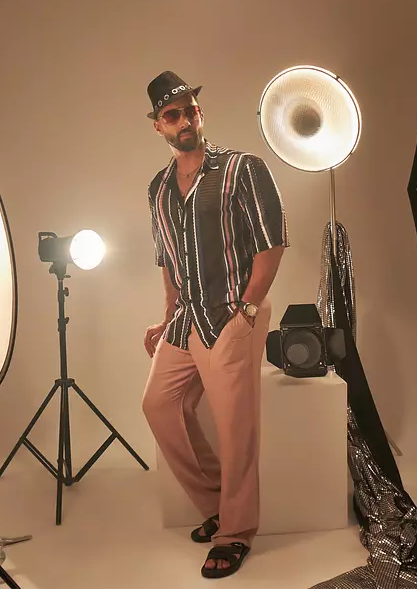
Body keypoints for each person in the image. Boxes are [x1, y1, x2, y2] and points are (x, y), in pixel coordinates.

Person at [141, 71, 289, 579]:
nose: (185, 121)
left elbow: (271, 245)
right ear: (157, 125)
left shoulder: (243, 169)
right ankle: (216, 504)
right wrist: (165, 319)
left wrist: (248, 309)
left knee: (234, 425)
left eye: (190, 111)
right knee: (158, 405)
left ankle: (236, 532)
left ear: (200, 114)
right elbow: (167, 259)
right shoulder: (158, 188)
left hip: (234, 308)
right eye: (172, 115)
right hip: (186, 315)